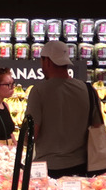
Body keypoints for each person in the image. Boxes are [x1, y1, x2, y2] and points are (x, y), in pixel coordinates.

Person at [26, 41, 98, 178]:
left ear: (47, 61)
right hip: (81, 167)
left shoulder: (39, 91)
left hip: (47, 168)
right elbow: (97, 126)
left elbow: (31, 133)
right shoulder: (88, 90)